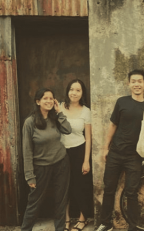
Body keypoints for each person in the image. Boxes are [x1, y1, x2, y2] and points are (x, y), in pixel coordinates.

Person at [96, 70, 144, 231]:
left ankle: (133, 226)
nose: (136, 84)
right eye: (133, 81)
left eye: (139, 81)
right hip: (115, 153)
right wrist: (106, 148)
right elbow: (113, 125)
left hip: (135, 156)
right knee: (109, 189)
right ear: (129, 84)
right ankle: (105, 223)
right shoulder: (121, 102)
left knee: (132, 192)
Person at [21, 88, 72, 231]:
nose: (49, 101)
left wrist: (59, 111)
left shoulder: (54, 118)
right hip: (41, 167)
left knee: (61, 200)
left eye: (51, 98)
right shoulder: (30, 122)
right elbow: (27, 150)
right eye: (45, 98)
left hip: (61, 163)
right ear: (38, 102)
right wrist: (29, 175)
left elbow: (67, 130)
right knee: (34, 202)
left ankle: (60, 229)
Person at [60, 79, 93, 231]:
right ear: (68, 91)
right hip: (61, 152)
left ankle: (82, 218)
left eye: (78, 90)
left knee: (80, 186)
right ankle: (66, 219)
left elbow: (88, 138)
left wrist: (86, 160)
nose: (74, 92)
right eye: (71, 89)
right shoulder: (59, 107)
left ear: (82, 93)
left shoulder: (86, 111)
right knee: (64, 186)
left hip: (79, 151)